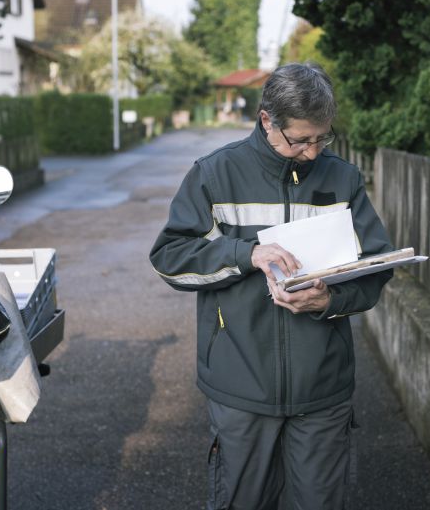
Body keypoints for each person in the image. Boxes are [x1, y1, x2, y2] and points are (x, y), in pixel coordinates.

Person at [149, 63, 393, 509]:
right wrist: (245, 254)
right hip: (240, 386)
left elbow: (376, 270)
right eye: (300, 139)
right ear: (267, 121)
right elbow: (170, 259)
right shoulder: (214, 174)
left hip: (323, 389)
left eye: (322, 138)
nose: (312, 152)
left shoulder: (343, 179)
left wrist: (331, 298)